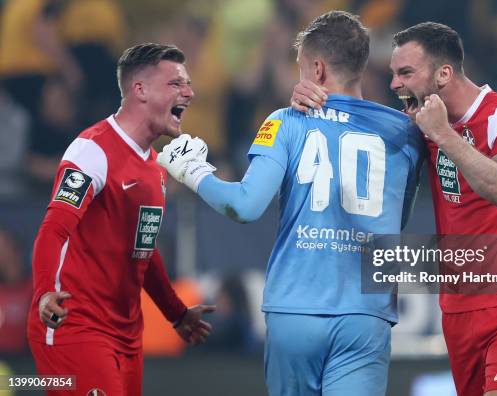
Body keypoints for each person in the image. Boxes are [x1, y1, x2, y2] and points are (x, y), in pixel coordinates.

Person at [157, 11, 425, 396]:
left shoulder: (287, 121)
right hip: (365, 313)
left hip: (295, 309)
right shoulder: (407, 132)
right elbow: (396, 217)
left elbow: (245, 207)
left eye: (299, 69)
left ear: (316, 69)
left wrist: (193, 171)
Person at [291, 21, 497, 396]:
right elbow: (347, 132)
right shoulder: (420, 125)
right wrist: (309, 100)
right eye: (393, 74)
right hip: (458, 314)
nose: (395, 84)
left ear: (444, 73)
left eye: (405, 73)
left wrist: (444, 134)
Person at [27, 43, 215, 396]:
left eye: (188, 84)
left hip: (127, 338)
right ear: (139, 90)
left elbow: (142, 250)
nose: (189, 92)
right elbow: (53, 229)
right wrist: (44, 294)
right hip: (74, 326)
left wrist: (175, 313)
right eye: (176, 84)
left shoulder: (154, 167)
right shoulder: (92, 151)